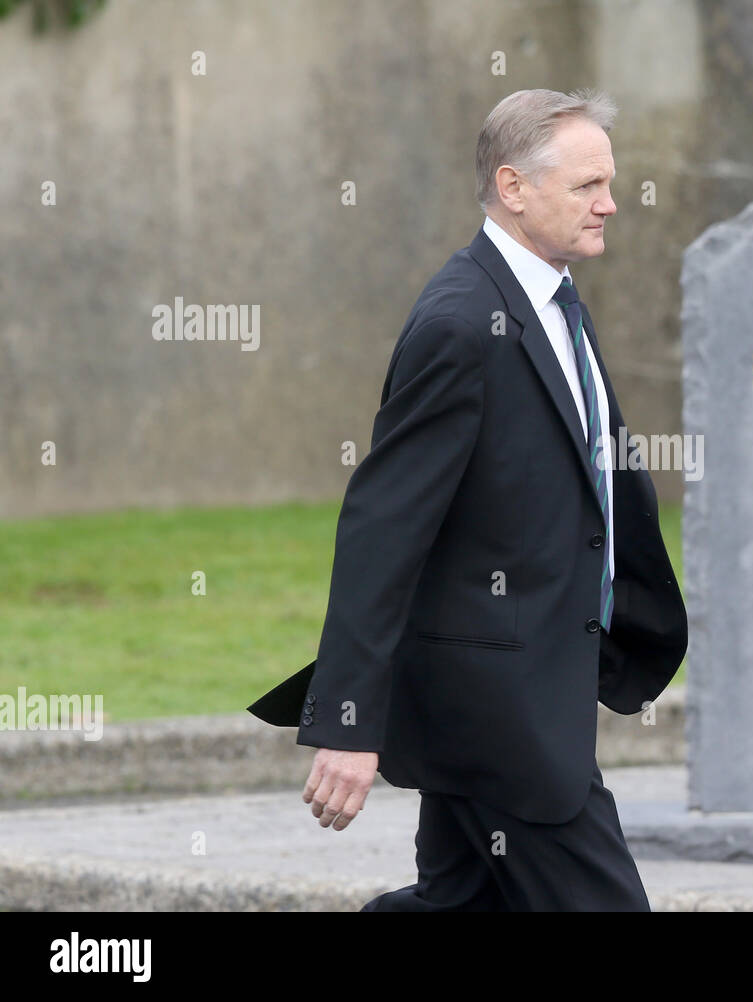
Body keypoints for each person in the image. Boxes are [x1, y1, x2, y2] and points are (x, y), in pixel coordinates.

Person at [247, 88, 687, 911]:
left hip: (518, 685)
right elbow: (384, 527)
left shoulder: (550, 298)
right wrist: (348, 719)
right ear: (514, 188)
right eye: (588, 185)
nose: (611, 202)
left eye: (610, 182)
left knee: (459, 903)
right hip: (501, 713)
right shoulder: (461, 322)